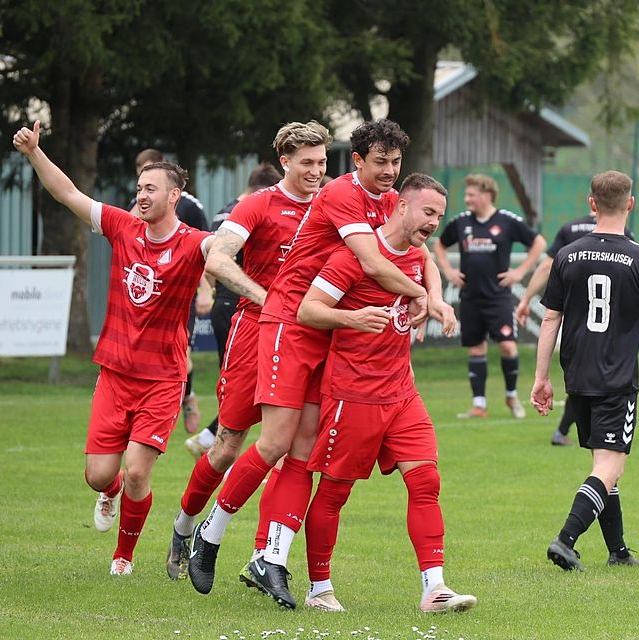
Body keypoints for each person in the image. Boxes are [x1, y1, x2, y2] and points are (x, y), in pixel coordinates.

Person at [187, 119, 455, 603]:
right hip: (291, 321)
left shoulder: (391, 200)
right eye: (382, 163)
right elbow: (372, 264)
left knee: (303, 450)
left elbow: (423, 254)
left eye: (396, 163)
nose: (391, 172)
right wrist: (424, 298)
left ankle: (269, 557)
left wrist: (431, 292)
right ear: (357, 162)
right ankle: (209, 531)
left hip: (328, 328)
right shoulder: (342, 195)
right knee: (269, 442)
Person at [13, 121, 213, 576]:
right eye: (138, 187)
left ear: (173, 196)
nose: (140, 196)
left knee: (140, 472)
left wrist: (219, 282)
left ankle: (123, 556)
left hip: (162, 379)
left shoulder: (194, 244)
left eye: (150, 189)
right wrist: (34, 153)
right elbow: (68, 194)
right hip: (115, 374)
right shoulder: (123, 227)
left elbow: (225, 252)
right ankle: (110, 489)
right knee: (100, 475)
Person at [296, 173, 475, 613]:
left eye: (439, 215)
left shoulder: (415, 255)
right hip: (353, 395)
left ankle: (434, 589)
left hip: (401, 393)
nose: (434, 222)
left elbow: (427, 263)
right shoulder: (354, 258)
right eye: (428, 212)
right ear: (401, 207)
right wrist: (354, 319)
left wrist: (434, 297)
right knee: (335, 492)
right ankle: (319, 589)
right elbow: (308, 310)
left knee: (426, 480)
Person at [165, 123, 330, 580]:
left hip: (310, 334)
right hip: (256, 330)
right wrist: (267, 298)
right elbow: (216, 258)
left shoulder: (333, 202)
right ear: (285, 162)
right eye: (307, 163)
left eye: (322, 163)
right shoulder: (257, 204)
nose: (316, 172)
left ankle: (266, 556)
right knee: (228, 444)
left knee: (291, 446)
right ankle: (184, 527)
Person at [530, 170, 639, 571]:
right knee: (609, 466)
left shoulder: (568, 254)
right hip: (616, 380)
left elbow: (550, 319)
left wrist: (541, 378)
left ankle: (618, 551)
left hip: (578, 376)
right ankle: (565, 541)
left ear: (591, 204)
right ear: (630, 204)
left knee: (605, 465)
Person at [183, 162, 283, 460]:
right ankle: (217, 443)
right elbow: (214, 258)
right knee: (250, 383)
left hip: (225, 303)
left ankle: (212, 439)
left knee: (240, 381)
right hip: (240, 305)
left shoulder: (222, 211)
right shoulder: (246, 211)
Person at [517, 209, 634, 446]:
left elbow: (545, 267)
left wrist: (526, 298)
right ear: (626, 204)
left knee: (582, 383)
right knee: (602, 390)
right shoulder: (624, 233)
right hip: (610, 336)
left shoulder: (569, 229)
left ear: (592, 201)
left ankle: (566, 433)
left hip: (576, 330)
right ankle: (592, 443)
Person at [434, 173, 546, 420]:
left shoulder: (506, 221)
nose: (467, 199)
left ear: (486, 195)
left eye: (471, 195)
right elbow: (439, 245)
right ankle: (479, 405)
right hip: (470, 297)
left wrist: (519, 272)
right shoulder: (461, 223)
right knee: (476, 349)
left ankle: (511, 395)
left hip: (498, 298)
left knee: (507, 346)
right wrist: (448, 270)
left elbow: (538, 243)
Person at [131, 148, 212, 435]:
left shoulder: (190, 207)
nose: (144, 188)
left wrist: (205, 290)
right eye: (141, 175)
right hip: (146, 292)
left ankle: (187, 398)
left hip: (180, 294)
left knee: (182, 354)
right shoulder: (138, 206)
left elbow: (203, 251)